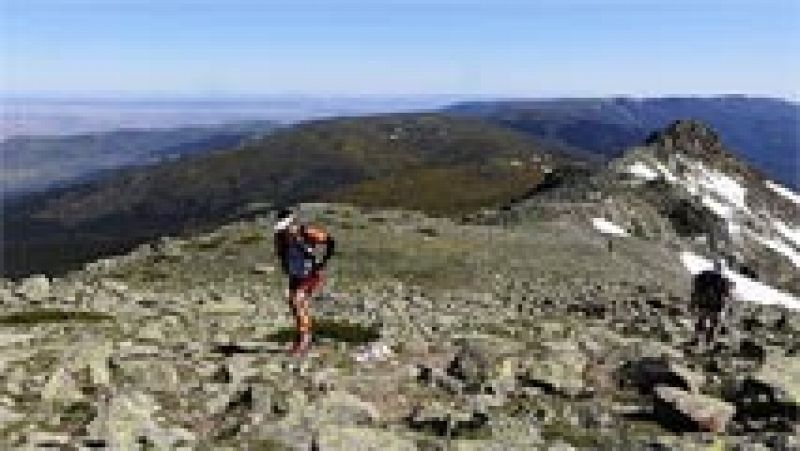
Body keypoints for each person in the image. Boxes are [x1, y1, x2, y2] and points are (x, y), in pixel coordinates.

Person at [273, 208, 335, 356]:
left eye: (287, 227)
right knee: (295, 303)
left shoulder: (307, 233)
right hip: (295, 275)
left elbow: (329, 241)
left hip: (309, 273)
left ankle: (304, 340)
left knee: (297, 301)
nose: (286, 231)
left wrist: (322, 261)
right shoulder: (280, 237)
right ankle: (303, 336)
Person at [690, 259, 733, 349]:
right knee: (712, 325)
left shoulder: (705, 275)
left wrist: (693, 302)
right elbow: (726, 296)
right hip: (715, 307)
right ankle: (707, 343)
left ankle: (697, 339)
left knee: (701, 321)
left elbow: (696, 288)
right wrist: (726, 309)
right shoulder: (724, 281)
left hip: (704, 304)